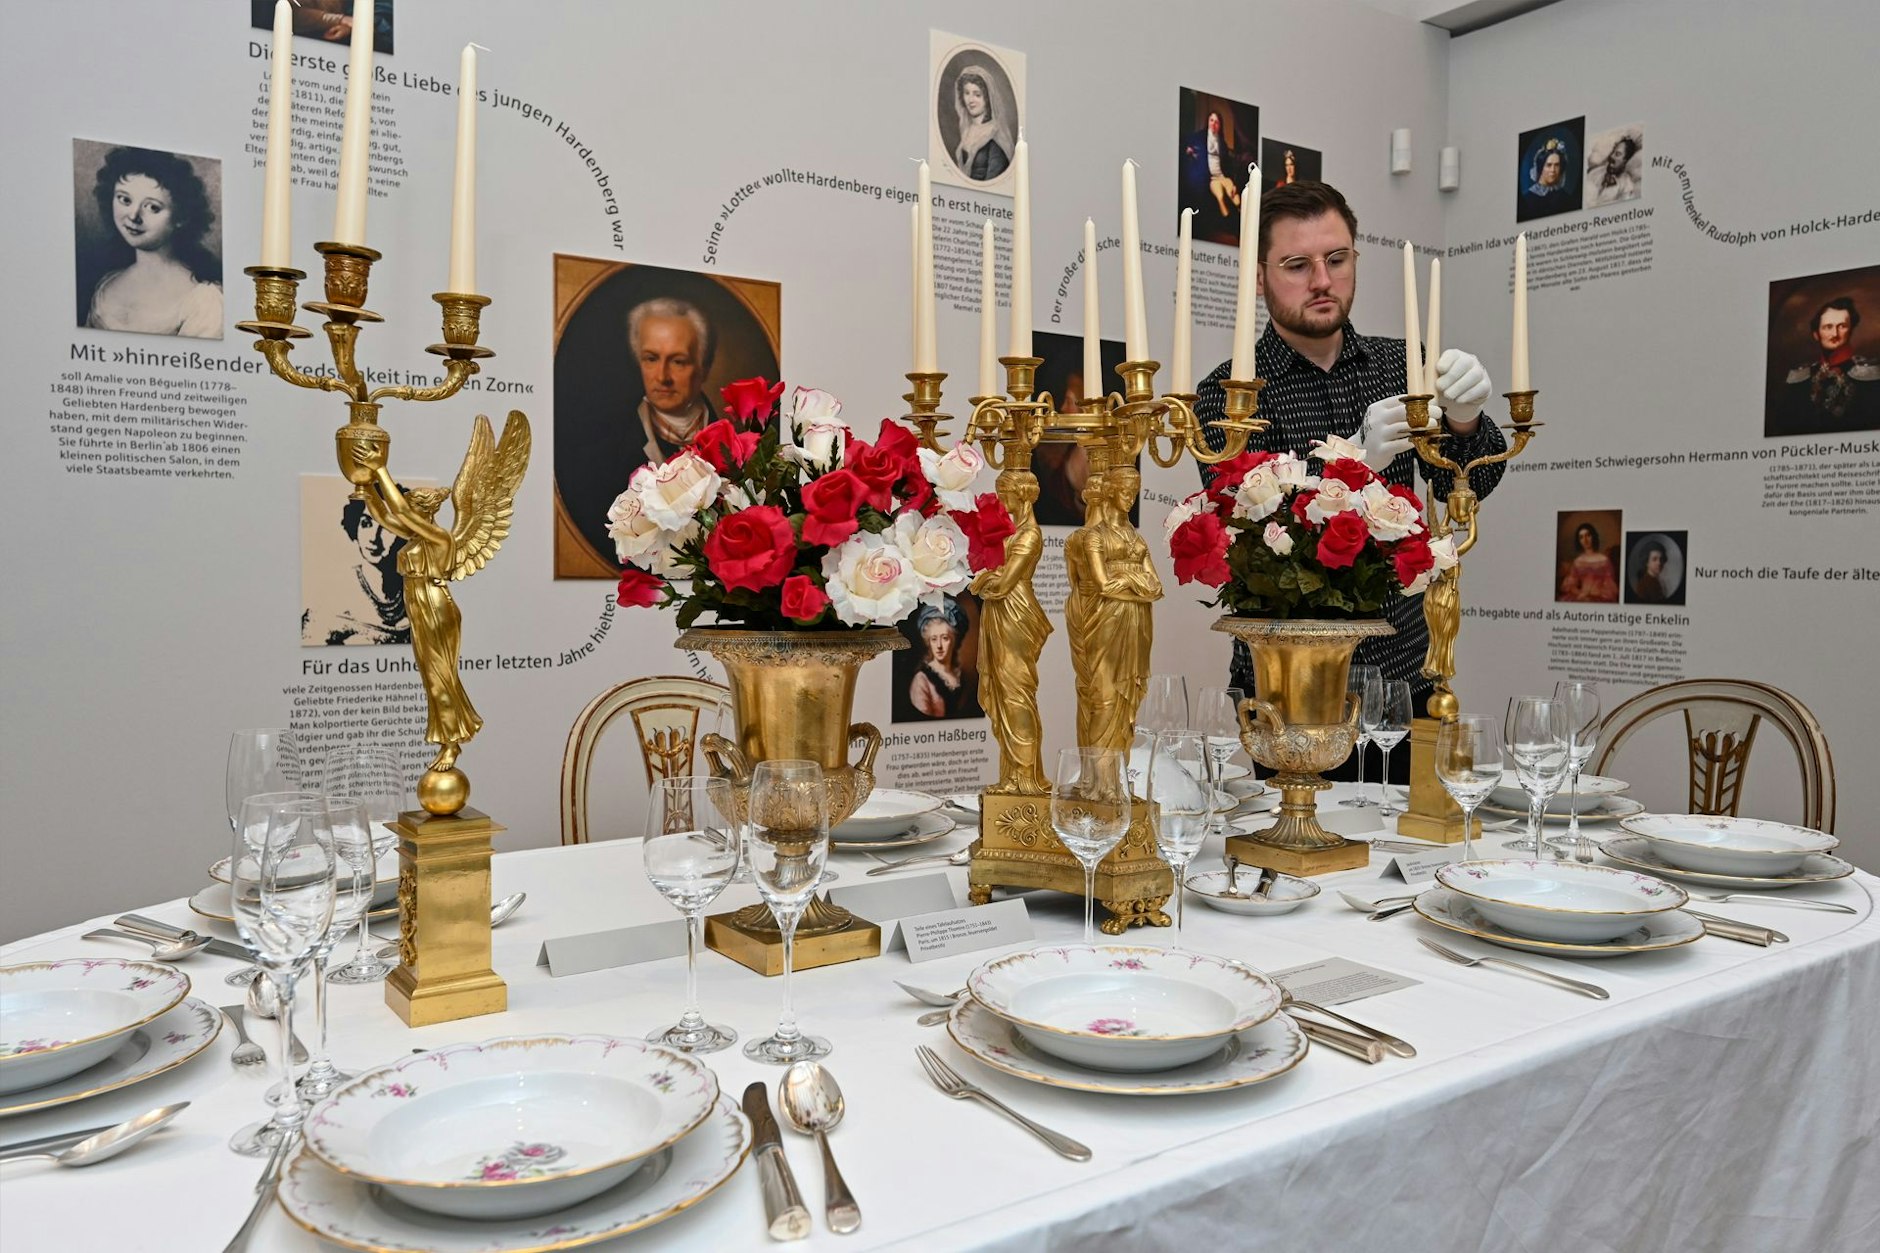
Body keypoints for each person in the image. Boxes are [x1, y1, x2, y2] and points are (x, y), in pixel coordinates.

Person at [1193, 180, 1507, 781]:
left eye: (1337, 259)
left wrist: (1466, 423)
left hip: (1401, 677)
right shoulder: (1228, 394)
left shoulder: (1401, 365)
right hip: (1288, 685)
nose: (1321, 280)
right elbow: (1245, 530)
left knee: (1406, 861)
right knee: (1299, 860)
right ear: (1259, 277)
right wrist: (1352, 464)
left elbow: (1463, 490)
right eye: (1296, 264)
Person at [84, 146, 222, 339]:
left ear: (180, 217)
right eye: (124, 199)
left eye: (152, 207)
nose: (133, 216)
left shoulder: (204, 300)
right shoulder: (108, 283)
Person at [624, 297, 719, 479]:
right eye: (651, 359)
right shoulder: (606, 447)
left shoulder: (733, 443)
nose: (662, 377)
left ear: (704, 368)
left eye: (678, 362)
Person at [303, 493, 410, 645]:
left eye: (388, 527)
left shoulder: (417, 588)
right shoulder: (334, 593)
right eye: (366, 523)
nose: (374, 538)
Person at [1780, 297, 1880, 434]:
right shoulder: (1800, 378)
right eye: (1828, 327)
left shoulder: (1870, 376)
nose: (1835, 334)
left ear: (1850, 331)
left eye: (1842, 326)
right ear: (1816, 334)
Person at [907, 599, 980, 720]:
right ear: (928, 642)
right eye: (934, 639)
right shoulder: (921, 680)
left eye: (945, 638)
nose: (939, 645)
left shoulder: (958, 675)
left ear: (954, 640)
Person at [1183, 112, 1250, 221]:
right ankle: (1229, 221)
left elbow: (1228, 164)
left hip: (1222, 176)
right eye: (1211, 120)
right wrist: (1189, 149)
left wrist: (1232, 183)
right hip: (1211, 178)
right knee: (1220, 197)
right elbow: (1186, 142)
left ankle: (1242, 218)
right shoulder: (1200, 136)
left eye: (1217, 122)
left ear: (1220, 125)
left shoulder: (1222, 142)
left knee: (1233, 193)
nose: (1214, 124)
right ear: (1208, 122)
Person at [951, 67, 1010, 181]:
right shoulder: (967, 129)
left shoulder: (995, 135)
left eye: (977, 94)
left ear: (987, 99)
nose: (971, 100)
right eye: (967, 93)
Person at [1558, 523, 1620, 603]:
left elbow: (1609, 588)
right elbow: (1571, 585)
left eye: (1588, 535)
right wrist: (1581, 594)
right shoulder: (1577, 561)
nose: (1585, 540)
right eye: (1581, 537)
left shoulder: (1604, 560)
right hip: (1581, 597)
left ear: (1593, 536)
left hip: (1600, 598)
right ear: (1579, 541)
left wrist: (1593, 594)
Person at [1587, 130, 1642, 206]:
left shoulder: (1627, 187)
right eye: (1613, 152)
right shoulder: (1595, 173)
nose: (1611, 156)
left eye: (1617, 154)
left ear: (1625, 161)